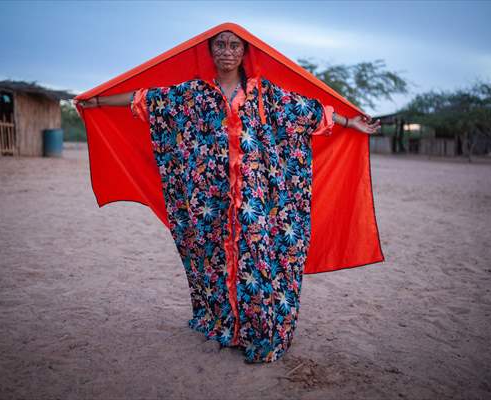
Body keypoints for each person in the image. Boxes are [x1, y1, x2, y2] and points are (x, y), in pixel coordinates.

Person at [76, 30, 380, 363]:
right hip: (212, 200)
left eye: (234, 45)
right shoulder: (194, 94)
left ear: (244, 52)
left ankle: (262, 332)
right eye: (219, 45)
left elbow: (309, 112)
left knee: (259, 257)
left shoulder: (264, 95)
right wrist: (98, 101)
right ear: (210, 50)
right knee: (215, 260)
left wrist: (351, 121)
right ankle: (228, 327)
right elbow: (148, 98)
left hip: (255, 202)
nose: (227, 51)